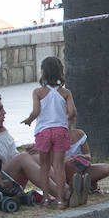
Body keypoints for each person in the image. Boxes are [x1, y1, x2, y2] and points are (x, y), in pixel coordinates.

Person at [20, 56, 77, 209]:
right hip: (61, 131)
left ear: (43, 73)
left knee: (44, 167)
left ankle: (45, 199)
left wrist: (29, 120)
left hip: (43, 132)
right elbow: (72, 112)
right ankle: (60, 201)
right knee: (58, 166)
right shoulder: (66, 93)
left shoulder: (38, 92)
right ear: (60, 72)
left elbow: (36, 111)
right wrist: (66, 121)